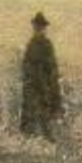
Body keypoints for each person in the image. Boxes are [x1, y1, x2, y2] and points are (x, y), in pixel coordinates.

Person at [20, 12, 63, 140]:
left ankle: (49, 144)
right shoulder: (31, 44)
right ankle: (28, 145)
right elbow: (26, 67)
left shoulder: (47, 45)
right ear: (34, 28)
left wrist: (51, 90)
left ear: (44, 28)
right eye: (36, 27)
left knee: (44, 120)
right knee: (28, 120)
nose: (38, 29)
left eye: (40, 27)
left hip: (43, 89)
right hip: (31, 88)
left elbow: (52, 69)